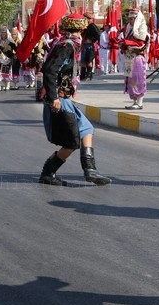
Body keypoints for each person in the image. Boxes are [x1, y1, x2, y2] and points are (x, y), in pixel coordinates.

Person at [37, 13, 111, 187]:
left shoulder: (68, 43)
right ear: (80, 30)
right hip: (59, 100)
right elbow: (49, 70)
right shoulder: (67, 46)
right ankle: (48, 173)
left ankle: (90, 170)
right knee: (71, 142)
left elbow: (94, 34)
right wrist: (53, 97)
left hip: (65, 99)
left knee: (86, 128)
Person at [121, 8, 149, 110]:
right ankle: (134, 101)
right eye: (129, 18)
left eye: (132, 19)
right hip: (129, 57)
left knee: (138, 79)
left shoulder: (142, 30)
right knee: (130, 80)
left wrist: (126, 43)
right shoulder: (129, 29)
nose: (130, 21)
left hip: (137, 57)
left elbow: (140, 43)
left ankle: (140, 102)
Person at [80, 12, 100, 80]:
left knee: (89, 60)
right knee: (83, 61)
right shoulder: (83, 26)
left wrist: (92, 40)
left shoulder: (92, 26)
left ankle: (89, 74)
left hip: (89, 45)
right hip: (83, 45)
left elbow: (98, 35)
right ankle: (82, 74)